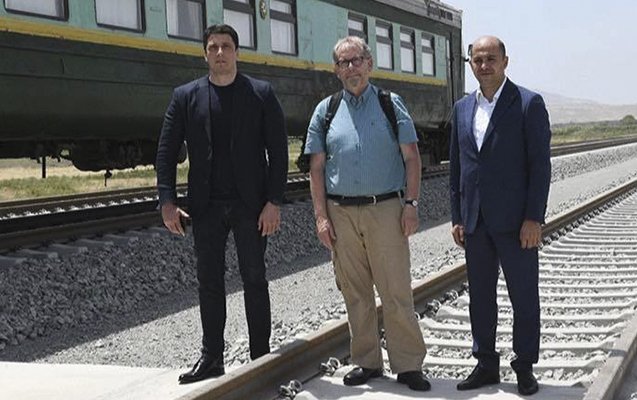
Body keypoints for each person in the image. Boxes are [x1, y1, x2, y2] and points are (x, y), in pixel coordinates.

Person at [155, 24, 288, 384]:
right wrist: (167, 201)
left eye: (226, 46)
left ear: (237, 52)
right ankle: (212, 358)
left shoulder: (260, 94)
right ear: (205, 54)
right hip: (206, 207)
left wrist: (274, 201)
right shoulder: (185, 97)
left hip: (251, 206)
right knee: (209, 282)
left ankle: (260, 358)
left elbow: (278, 152)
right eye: (212, 47)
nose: (219, 53)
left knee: (255, 278)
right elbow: (166, 152)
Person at [304, 36, 430, 392]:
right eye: (343, 63)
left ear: (369, 64)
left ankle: (408, 365)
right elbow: (316, 169)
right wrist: (321, 217)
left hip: (386, 209)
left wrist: (411, 205)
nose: (351, 68)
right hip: (340, 214)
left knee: (395, 290)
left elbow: (412, 159)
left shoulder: (391, 103)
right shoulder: (326, 110)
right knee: (355, 292)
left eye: (356, 60)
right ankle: (367, 362)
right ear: (336, 70)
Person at [449, 36, 551, 396]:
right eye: (477, 60)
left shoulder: (527, 103)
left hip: (516, 223)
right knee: (480, 298)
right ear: (471, 64)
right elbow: (458, 167)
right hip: (475, 222)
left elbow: (540, 166)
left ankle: (524, 366)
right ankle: (486, 364)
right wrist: (457, 216)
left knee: (523, 297)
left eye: (491, 58)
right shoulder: (462, 108)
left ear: (506, 61)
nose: (484, 65)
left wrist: (534, 218)